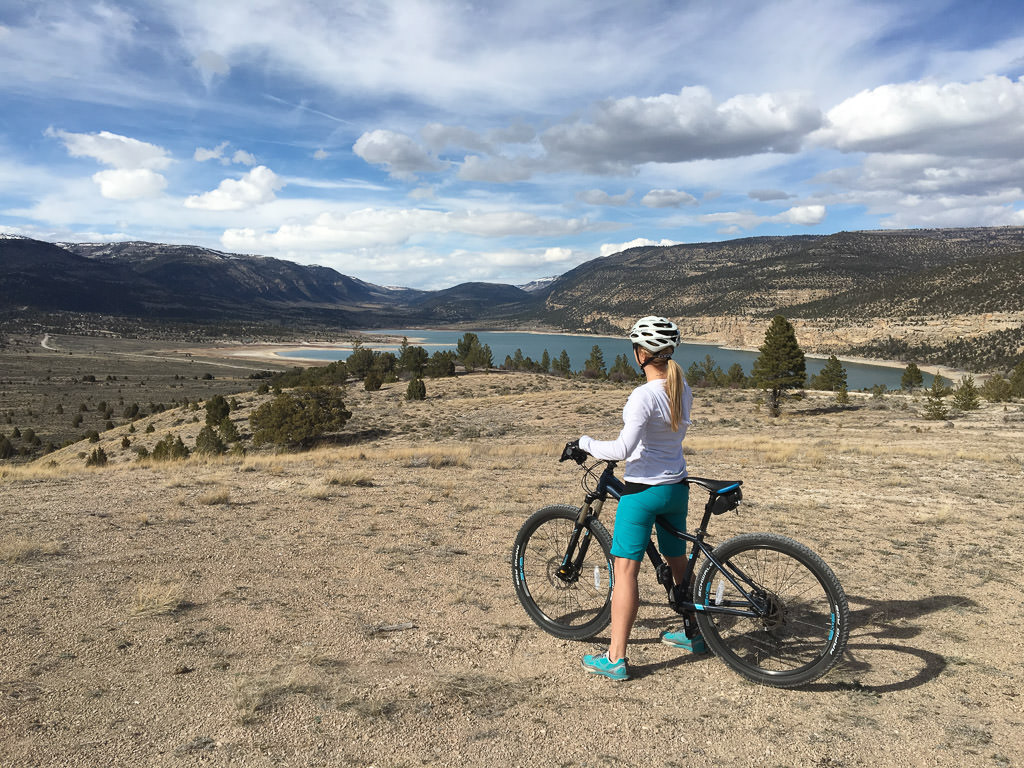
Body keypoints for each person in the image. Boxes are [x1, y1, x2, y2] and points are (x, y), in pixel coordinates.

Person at [576, 316, 698, 681]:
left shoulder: (644, 396)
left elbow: (623, 449)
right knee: (678, 561)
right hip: (677, 489)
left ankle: (615, 658)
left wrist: (584, 442)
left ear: (641, 353)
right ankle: (695, 634)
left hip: (644, 492)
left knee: (624, 571)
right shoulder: (682, 388)